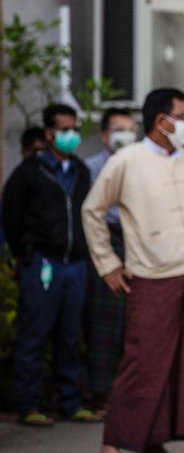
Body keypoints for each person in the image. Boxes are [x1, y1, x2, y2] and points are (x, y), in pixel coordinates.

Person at [82, 88, 184, 453]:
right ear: (162, 121)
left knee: (180, 363)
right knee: (141, 361)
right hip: (149, 275)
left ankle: (153, 439)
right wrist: (108, 264)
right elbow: (92, 211)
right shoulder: (127, 160)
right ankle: (114, 441)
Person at [2, 103, 98, 426]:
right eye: (65, 129)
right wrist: (25, 252)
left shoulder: (81, 171)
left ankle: (69, 402)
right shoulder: (30, 172)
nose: (71, 135)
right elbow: (12, 216)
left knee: (70, 336)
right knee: (34, 333)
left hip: (76, 264)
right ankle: (29, 404)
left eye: (75, 128)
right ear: (49, 133)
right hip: (43, 261)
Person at [83, 107, 138, 412]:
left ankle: (129, 393)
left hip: (137, 243)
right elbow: (89, 214)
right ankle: (101, 394)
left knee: (135, 322)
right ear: (104, 135)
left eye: (130, 129)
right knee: (104, 321)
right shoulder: (90, 168)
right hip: (105, 242)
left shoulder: (141, 165)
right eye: (118, 129)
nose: (125, 135)